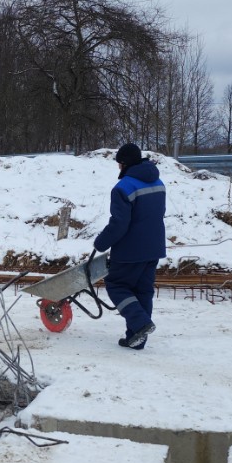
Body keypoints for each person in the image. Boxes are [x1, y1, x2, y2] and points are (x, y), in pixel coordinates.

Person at [92, 143, 166, 350]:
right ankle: (136, 339)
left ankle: (140, 324)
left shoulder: (123, 187)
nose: (118, 168)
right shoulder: (158, 182)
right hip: (154, 247)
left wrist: (101, 243)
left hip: (130, 250)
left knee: (117, 286)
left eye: (119, 164)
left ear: (124, 164)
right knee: (143, 291)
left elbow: (119, 223)